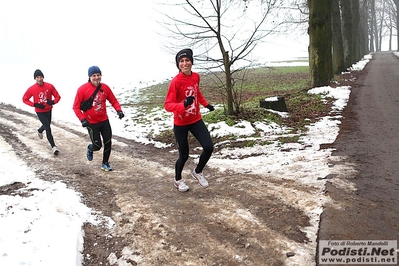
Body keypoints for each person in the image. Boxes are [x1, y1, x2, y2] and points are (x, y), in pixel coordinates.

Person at [164, 48, 215, 192]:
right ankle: (178, 179)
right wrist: (183, 105)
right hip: (181, 123)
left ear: (191, 62)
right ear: (178, 64)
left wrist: (206, 104)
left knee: (208, 147)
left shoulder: (196, 77)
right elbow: (167, 105)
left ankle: (198, 171)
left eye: (187, 60)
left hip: (195, 119)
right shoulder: (176, 82)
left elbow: (197, 91)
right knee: (184, 155)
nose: (185, 63)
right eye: (181, 61)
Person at [72, 66, 124, 172]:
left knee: (108, 141)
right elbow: (76, 107)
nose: (96, 77)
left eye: (98, 75)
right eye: (94, 76)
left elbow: (113, 100)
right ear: (89, 77)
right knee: (97, 145)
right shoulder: (82, 89)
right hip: (91, 123)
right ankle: (90, 148)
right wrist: (82, 119)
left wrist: (119, 110)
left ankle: (105, 163)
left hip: (104, 120)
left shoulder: (105, 88)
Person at [22, 69, 61, 155]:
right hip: (40, 111)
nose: (39, 79)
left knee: (47, 124)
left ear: (43, 77)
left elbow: (58, 97)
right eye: (37, 77)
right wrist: (34, 104)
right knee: (48, 127)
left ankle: (40, 130)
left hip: (48, 110)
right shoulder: (32, 89)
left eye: (40, 77)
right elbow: (24, 99)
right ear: (35, 79)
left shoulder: (49, 86)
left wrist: (52, 102)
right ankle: (53, 147)